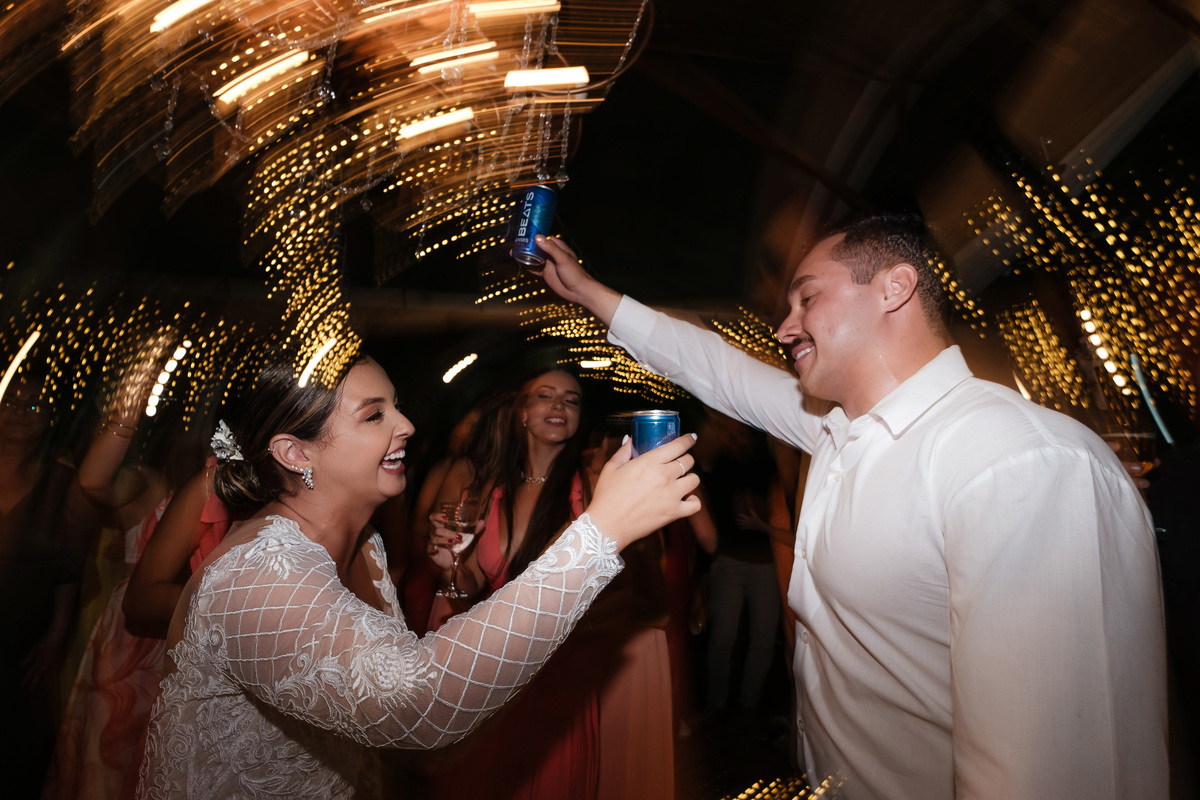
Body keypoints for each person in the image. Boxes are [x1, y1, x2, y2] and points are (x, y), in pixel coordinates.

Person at [535, 215, 1168, 800]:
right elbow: (720, 370)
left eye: (806, 298)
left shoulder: (1015, 462)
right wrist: (590, 293)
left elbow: (1049, 772)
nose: (784, 326)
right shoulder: (841, 432)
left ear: (895, 288)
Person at [136, 356, 699, 799]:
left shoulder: (369, 550)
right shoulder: (255, 574)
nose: (406, 424)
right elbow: (417, 703)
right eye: (374, 414)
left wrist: (458, 578)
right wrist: (599, 534)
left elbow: (394, 719)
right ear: (294, 451)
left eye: (397, 406)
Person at [0, 371, 99, 798]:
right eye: (11, 403)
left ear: (50, 418)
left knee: (15, 753)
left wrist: (59, 631)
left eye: (34, 406)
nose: (20, 413)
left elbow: (69, 563)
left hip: (22, 634)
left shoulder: (60, 478)